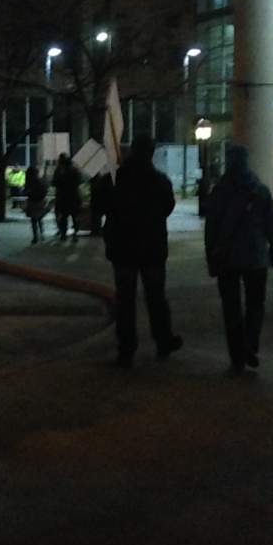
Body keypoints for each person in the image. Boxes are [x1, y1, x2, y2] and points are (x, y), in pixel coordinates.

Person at [104, 134, 183, 369]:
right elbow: (167, 207)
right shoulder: (159, 181)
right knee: (156, 298)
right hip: (152, 248)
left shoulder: (118, 179)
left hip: (123, 249)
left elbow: (105, 205)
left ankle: (126, 349)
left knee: (125, 301)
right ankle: (162, 340)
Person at [204, 144, 273, 377]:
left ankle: (237, 356)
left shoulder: (219, 191)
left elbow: (212, 229)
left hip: (226, 256)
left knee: (231, 308)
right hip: (256, 256)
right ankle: (250, 343)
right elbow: (271, 225)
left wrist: (211, 257)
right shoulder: (259, 190)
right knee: (255, 305)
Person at [51, 153, 82, 240]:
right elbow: (79, 181)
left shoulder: (59, 171)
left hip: (63, 197)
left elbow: (54, 182)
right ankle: (75, 234)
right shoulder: (75, 170)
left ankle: (63, 234)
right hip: (73, 196)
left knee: (63, 217)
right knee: (74, 216)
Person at [23, 166, 48, 244]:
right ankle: (41, 234)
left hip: (32, 201)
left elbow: (26, 191)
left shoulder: (29, 181)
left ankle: (35, 236)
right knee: (39, 218)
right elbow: (44, 190)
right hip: (39, 201)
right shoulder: (39, 181)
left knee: (33, 220)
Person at [88, 171, 112, 236]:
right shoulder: (102, 179)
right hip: (101, 201)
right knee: (98, 217)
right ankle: (97, 230)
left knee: (96, 217)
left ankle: (95, 230)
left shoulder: (97, 181)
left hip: (96, 201)